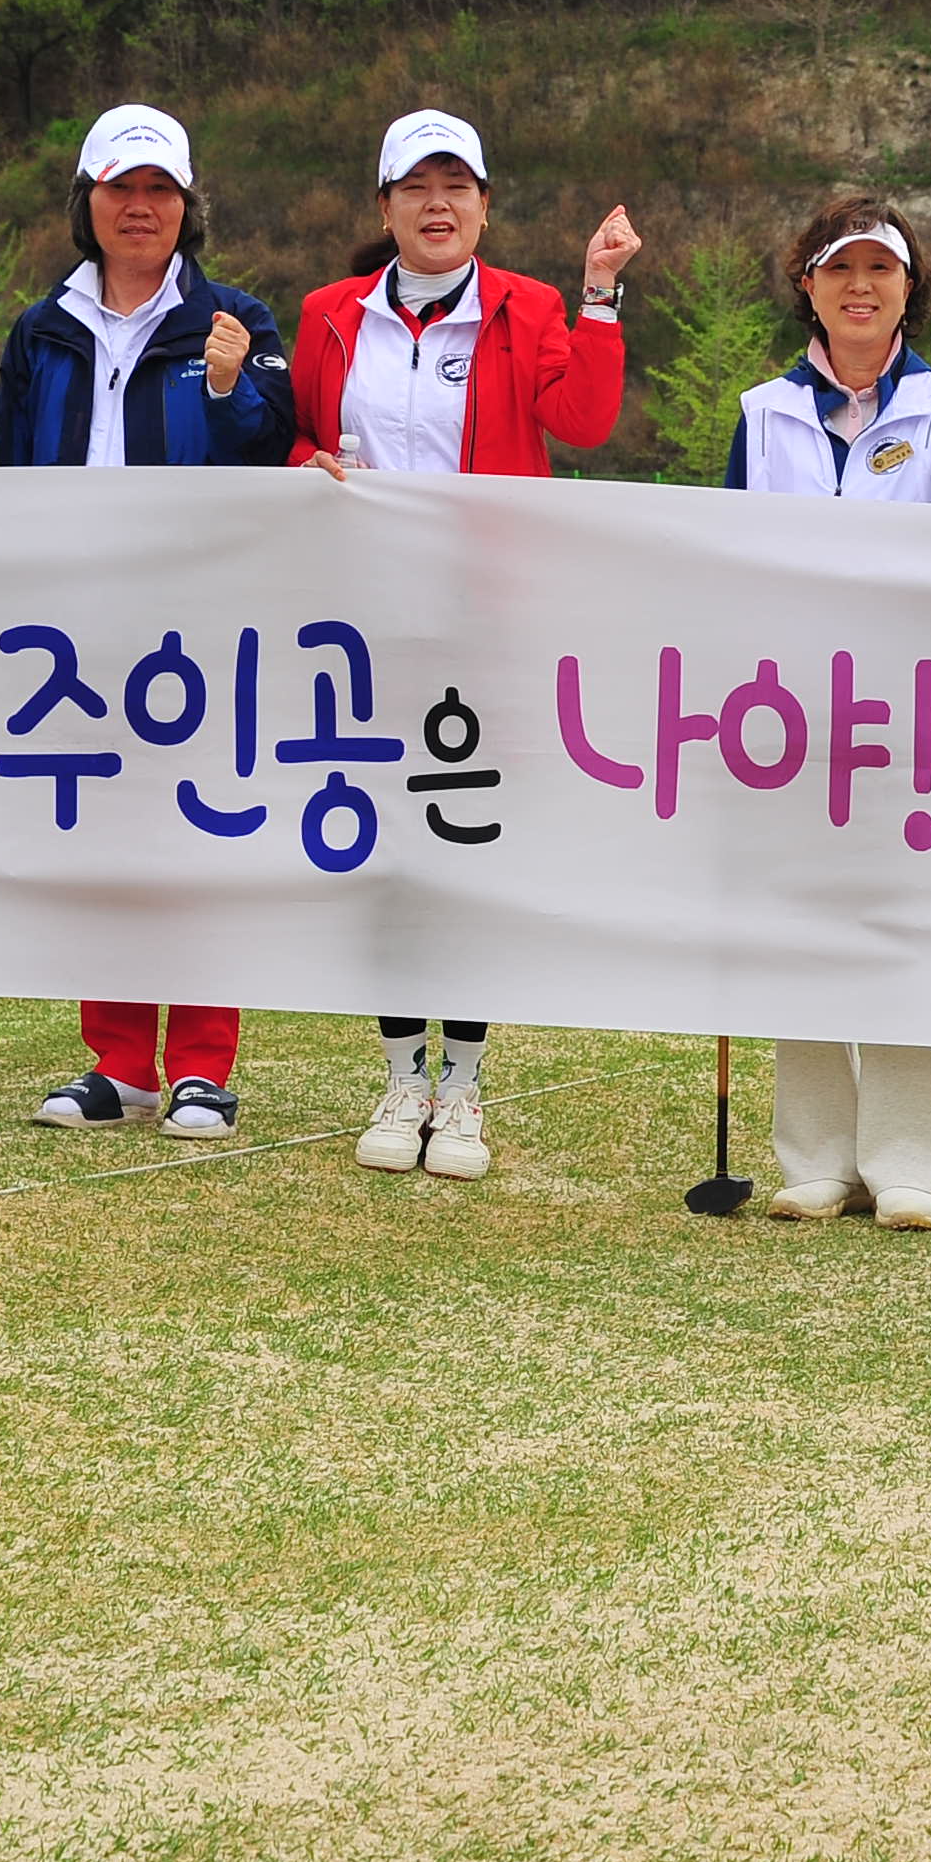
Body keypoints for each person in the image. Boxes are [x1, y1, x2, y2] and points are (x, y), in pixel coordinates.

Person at [293, 108, 640, 1180]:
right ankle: (403, 1073)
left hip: (486, 621)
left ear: (484, 207)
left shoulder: (526, 307)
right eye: (416, 187)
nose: (436, 204)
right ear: (386, 205)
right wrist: (308, 460)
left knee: (468, 836)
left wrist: (598, 294)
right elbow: (300, 433)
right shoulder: (328, 313)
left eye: (456, 187)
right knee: (388, 850)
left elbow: (583, 421)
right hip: (365, 623)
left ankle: (466, 1083)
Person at [0, 104, 299, 1144]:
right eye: (120, 187)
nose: (140, 206)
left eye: (160, 189)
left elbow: (270, 455)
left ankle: (203, 1067)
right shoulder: (41, 326)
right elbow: (6, 468)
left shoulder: (236, 319)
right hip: (75, 626)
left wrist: (227, 385)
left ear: (186, 204)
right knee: (105, 839)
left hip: (200, 621)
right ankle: (118, 1063)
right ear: (87, 200)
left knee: (205, 832)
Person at [724, 194, 931, 1229]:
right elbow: (726, 556)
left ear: (909, 288)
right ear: (807, 286)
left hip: (910, 705)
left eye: (879, 269)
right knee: (798, 920)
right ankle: (813, 1157)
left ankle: (904, 1160)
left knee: (897, 923)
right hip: (788, 707)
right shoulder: (764, 410)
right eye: (838, 268)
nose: (858, 286)